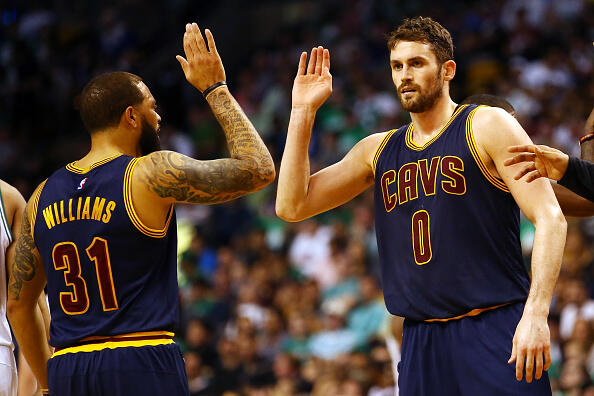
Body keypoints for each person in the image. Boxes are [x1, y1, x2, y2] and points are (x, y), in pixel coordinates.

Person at [276, 16, 566, 395]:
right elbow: (291, 206)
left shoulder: (486, 124)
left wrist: (536, 313)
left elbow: (550, 218)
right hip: (420, 339)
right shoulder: (376, 150)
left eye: (416, 63)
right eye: (397, 66)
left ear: (447, 70)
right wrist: (302, 112)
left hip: (494, 326)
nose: (404, 75)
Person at [6, 22, 274, 396]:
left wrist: (50, 383)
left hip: (69, 365)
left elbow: (18, 305)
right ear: (131, 117)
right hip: (140, 358)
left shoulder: (41, 196)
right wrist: (216, 89)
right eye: (152, 108)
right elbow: (259, 169)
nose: (159, 118)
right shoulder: (149, 173)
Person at [461, 94, 594, 217]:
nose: (516, 136)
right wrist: (589, 134)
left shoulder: (445, 152)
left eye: (516, 129)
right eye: (507, 130)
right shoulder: (503, 172)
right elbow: (587, 201)